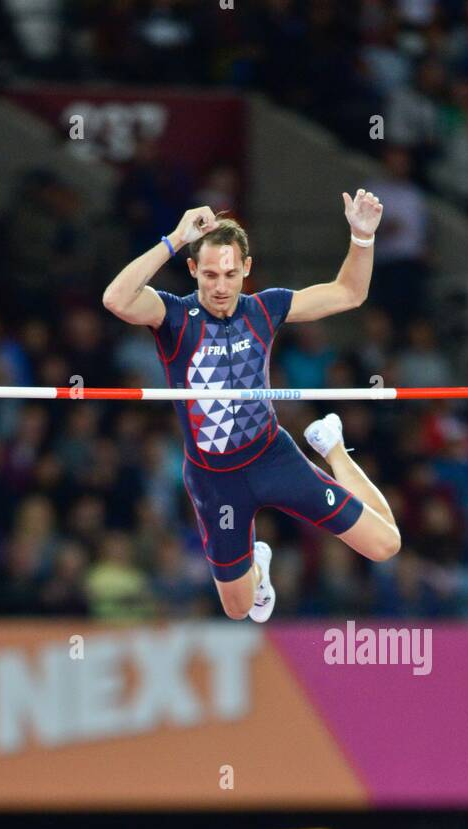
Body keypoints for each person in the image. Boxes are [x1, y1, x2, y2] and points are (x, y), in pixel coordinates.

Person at [102, 193, 401, 621]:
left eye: (229, 273)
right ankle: (259, 564)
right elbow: (116, 299)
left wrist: (362, 237)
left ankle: (332, 446)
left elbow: (349, 294)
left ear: (246, 268)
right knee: (239, 609)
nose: (220, 286)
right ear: (192, 270)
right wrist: (175, 238)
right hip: (214, 480)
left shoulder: (266, 308)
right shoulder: (173, 317)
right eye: (208, 274)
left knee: (386, 544)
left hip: (272, 457)